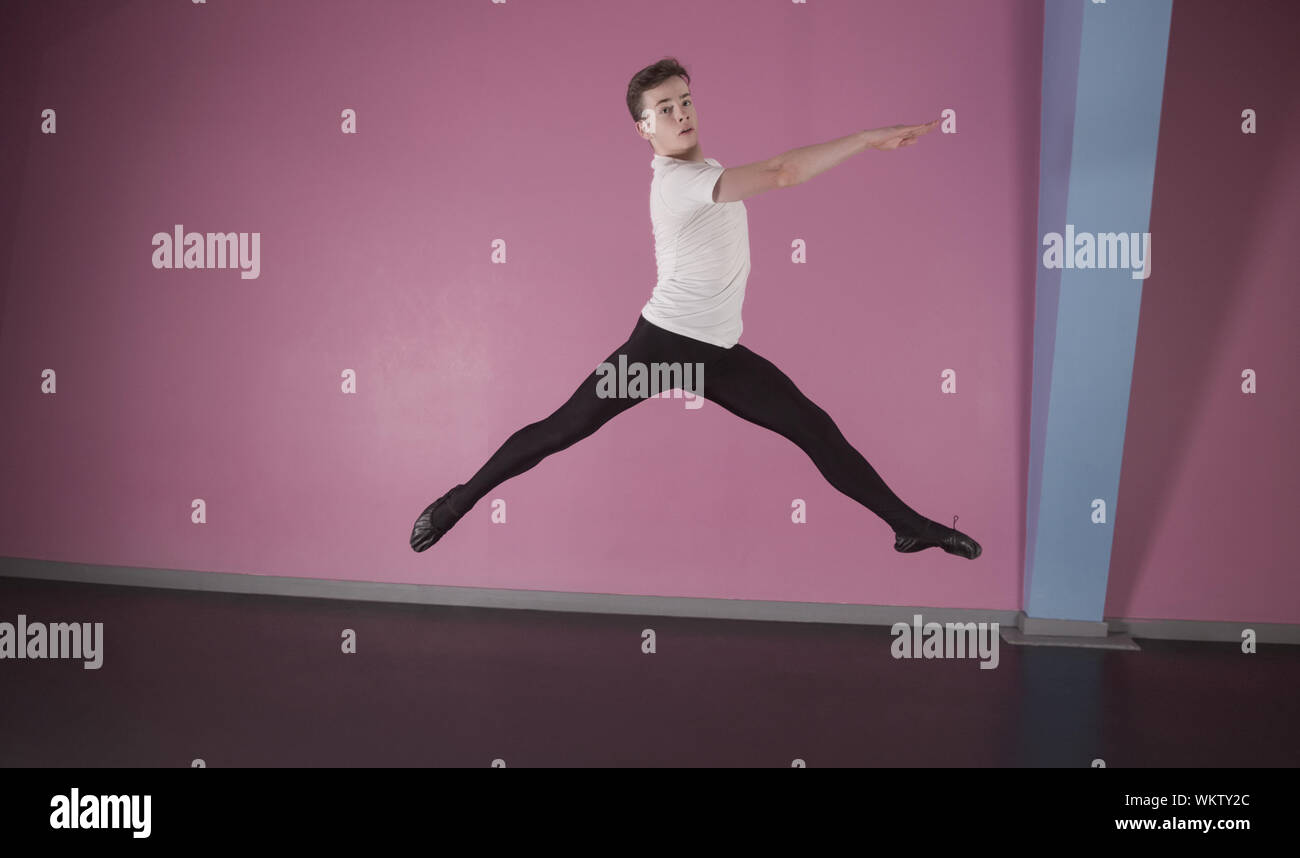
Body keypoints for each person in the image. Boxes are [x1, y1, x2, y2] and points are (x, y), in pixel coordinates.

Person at [411, 57, 980, 561]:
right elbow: (783, 172)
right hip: (662, 346)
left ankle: (909, 527)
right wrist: (865, 138)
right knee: (563, 429)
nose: (681, 112)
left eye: (685, 100)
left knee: (814, 428)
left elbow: (768, 174)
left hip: (717, 353)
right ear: (643, 127)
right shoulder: (678, 184)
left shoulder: (710, 174)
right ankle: (456, 503)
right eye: (664, 107)